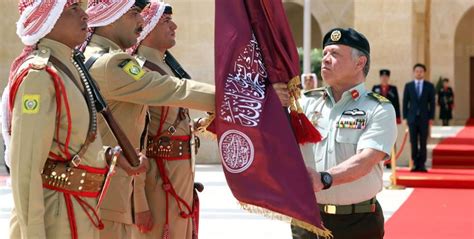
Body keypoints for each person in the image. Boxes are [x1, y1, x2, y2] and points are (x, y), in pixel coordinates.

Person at [5, 1, 145, 238]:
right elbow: (26, 169)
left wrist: (107, 154)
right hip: (56, 216)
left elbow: (65, 143)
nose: (84, 14)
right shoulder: (39, 76)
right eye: (73, 9)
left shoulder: (69, 67)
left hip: (80, 210)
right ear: (47, 19)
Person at [295, 28, 397, 239]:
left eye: (335, 54)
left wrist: (324, 178)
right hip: (307, 219)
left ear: (360, 63)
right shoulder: (304, 103)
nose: (325, 59)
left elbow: (366, 160)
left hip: (357, 222)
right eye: (324, 54)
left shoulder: (378, 108)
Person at [403, 63, 435, 172]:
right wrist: (405, 117)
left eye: (421, 71)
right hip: (412, 118)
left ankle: (422, 164)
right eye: (417, 71)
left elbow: (432, 103)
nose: (419, 73)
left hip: (424, 118)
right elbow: (405, 102)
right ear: (414, 72)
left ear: (424, 73)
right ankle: (415, 163)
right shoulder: (409, 86)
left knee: (423, 141)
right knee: (413, 141)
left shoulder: (429, 86)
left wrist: (431, 118)